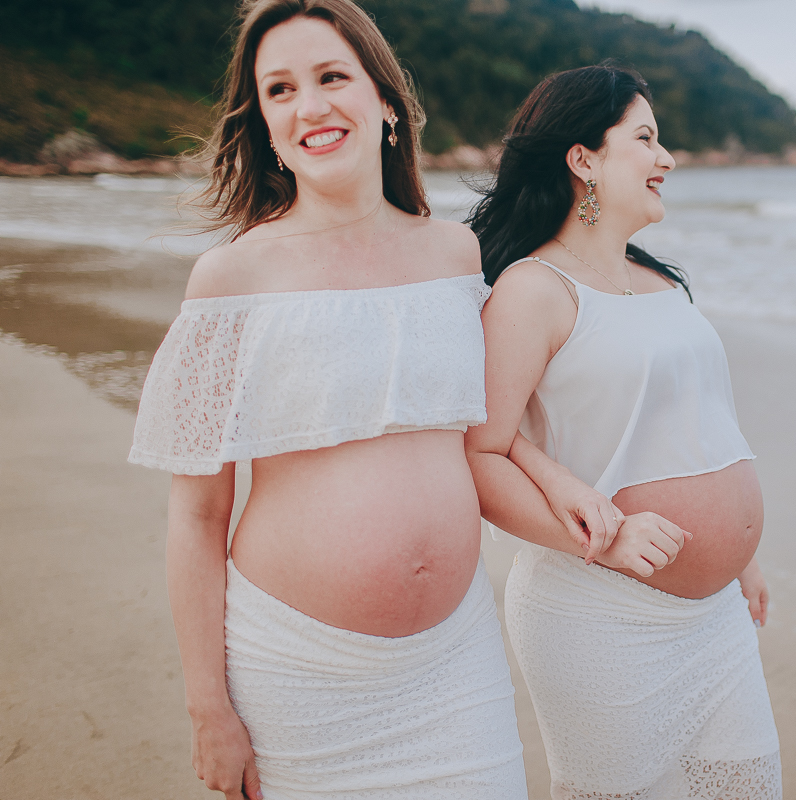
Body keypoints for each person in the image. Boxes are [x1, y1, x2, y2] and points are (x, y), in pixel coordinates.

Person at [128, 1, 526, 797]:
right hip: (298, 676)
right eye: (280, 90)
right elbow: (197, 514)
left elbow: (491, 443)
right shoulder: (232, 278)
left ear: (385, 101)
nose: (309, 106)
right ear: (266, 126)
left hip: (458, 663)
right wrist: (210, 708)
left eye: (331, 76)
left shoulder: (457, 254)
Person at [465, 64, 782, 800]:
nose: (665, 159)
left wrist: (738, 555)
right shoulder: (533, 291)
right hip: (600, 611)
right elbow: (479, 452)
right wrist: (605, 536)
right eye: (645, 138)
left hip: (716, 618)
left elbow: (693, 424)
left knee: (747, 787)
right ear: (584, 160)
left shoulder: (660, 279)